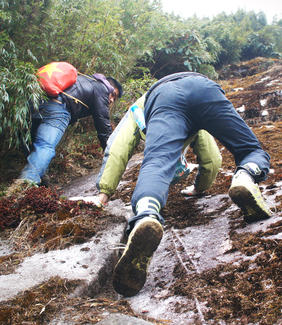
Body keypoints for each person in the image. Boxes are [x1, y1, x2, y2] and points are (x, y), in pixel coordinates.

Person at [100, 72, 272, 297]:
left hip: (162, 98)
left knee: (156, 163)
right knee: (250, 150)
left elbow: (117, 148)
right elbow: (212, 158)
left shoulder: (138, 108)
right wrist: (200, 187)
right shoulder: (193, 90)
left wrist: (104, 192)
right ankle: (246, 175)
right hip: (203, 87)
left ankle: (146, 216)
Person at [19, 67, 122, 186]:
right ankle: (26, 184)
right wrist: (111, 154)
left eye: (115, 99)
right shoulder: (102, 89)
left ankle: (43, 181)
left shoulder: (84, 79)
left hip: (38, 103)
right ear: (109, 86)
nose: (112, 100)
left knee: (34, 144)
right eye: (113, 95)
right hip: (58, 109)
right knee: (45, 146)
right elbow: (103, 125)